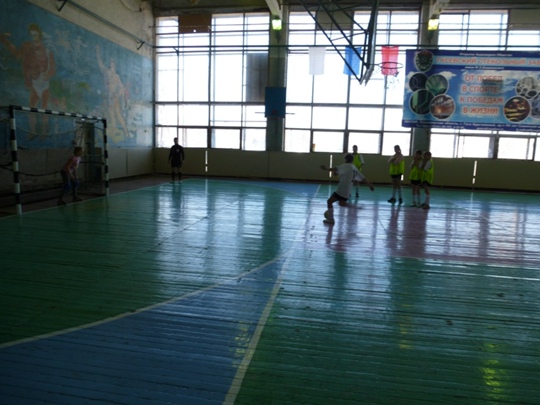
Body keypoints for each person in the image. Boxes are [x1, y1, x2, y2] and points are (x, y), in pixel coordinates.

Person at [320, 154, 374, 224]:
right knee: (341, 203)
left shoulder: (346, 166)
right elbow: (363, 178)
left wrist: (326, 169)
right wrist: (370, 185)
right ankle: (354, 207)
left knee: (329, 202)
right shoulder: (354, 167)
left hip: (342, 189)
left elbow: (336, 169)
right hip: (348, 190)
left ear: (346, 159)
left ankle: (331, 219)